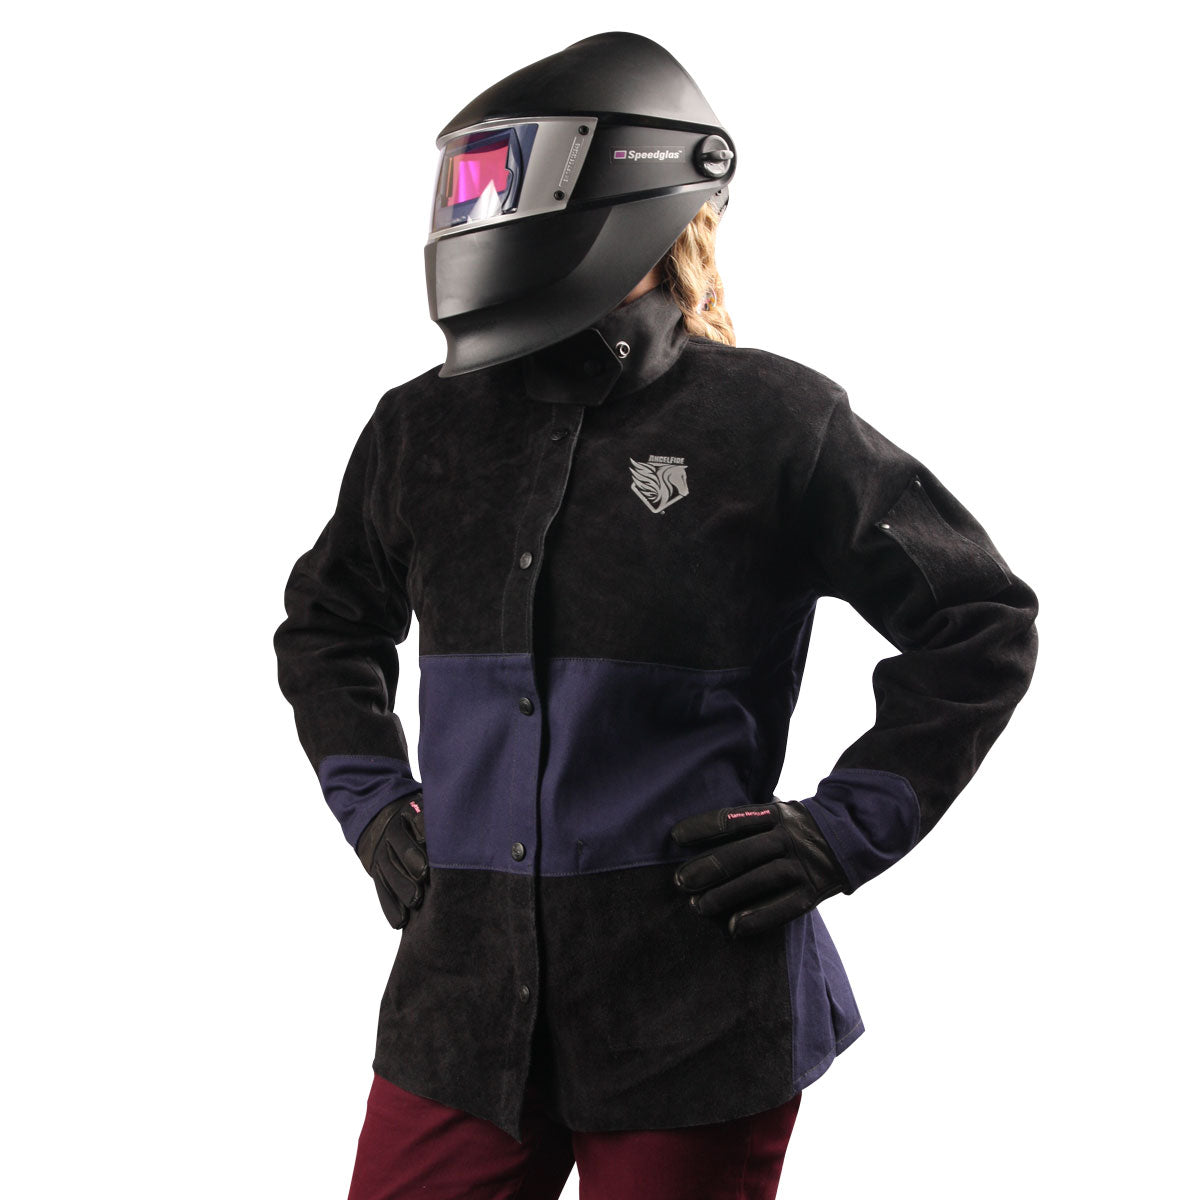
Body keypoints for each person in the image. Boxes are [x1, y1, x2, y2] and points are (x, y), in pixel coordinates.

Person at [272, 31, 1039, 1200]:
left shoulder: (776, 423)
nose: (479, 210)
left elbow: (979, 618)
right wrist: (373, 803)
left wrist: (843, 829)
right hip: (461, 1012)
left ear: (626, 191)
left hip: (696, 1017)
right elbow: (328, 624)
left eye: (503, 181)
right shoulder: (420, 431)